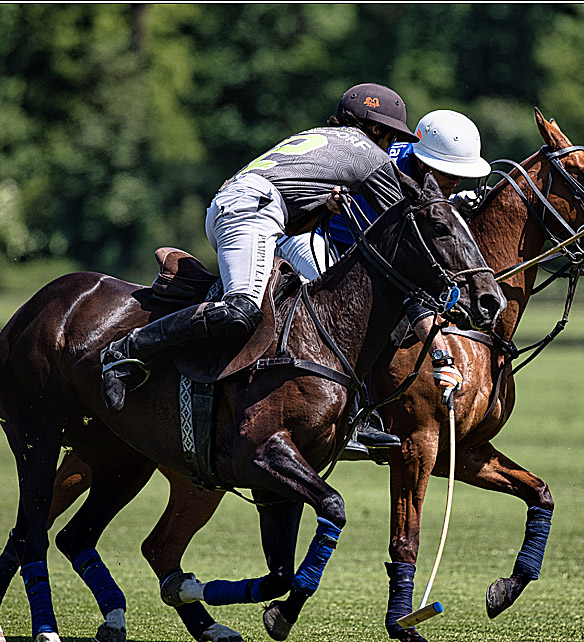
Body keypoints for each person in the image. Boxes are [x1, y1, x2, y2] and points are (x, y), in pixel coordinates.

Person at [100, 83, 451, 426]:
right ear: (375, 128)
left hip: (244, 208)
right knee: (241, 311)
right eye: (391, 136)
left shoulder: (324, 138)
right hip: (252, 211)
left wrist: (326, 206)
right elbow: (407, 225)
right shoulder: (368, 152)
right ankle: (127, 351)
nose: (390, 147)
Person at [276, 110, 492, 450]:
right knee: (350, 314)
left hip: (357, 248)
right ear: (423, 164)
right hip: (313, 237)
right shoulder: (387, 177)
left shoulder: (421, 172)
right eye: (450, 174)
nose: (456, 181)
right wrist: (441, 355)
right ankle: (351, 417)